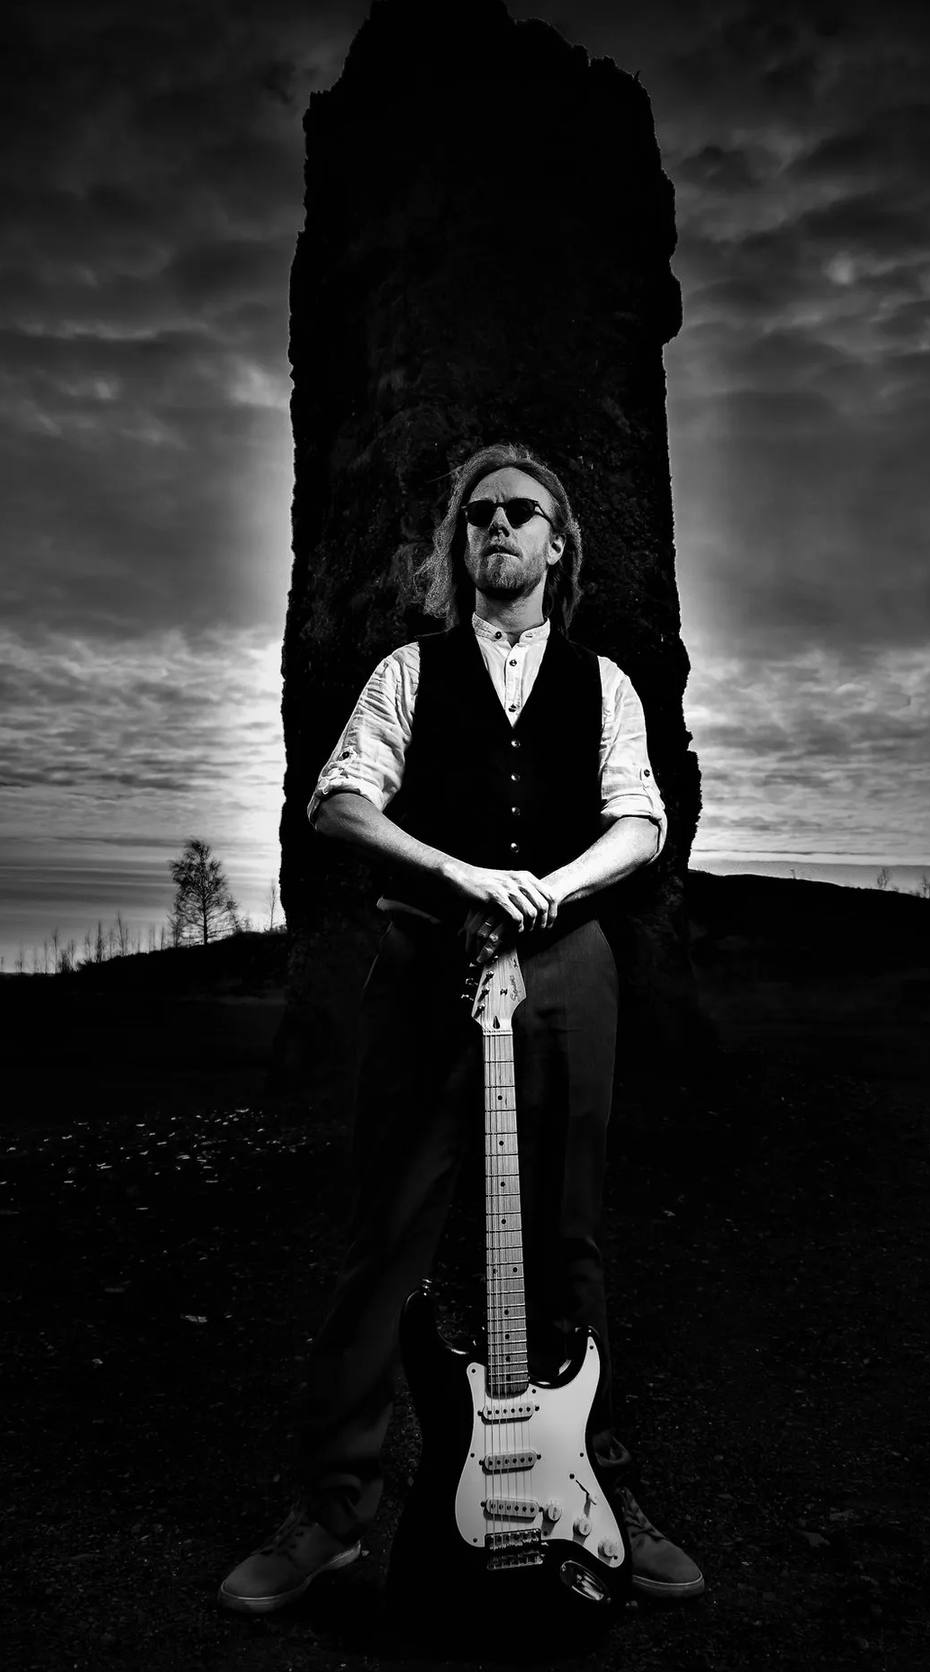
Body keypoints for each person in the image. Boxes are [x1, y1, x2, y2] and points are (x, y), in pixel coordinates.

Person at [219, 443, 705, 1613]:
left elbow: (640, 820)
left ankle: (595, 1488)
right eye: (478, 514)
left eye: (520, 512)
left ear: (556, 544)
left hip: (568, 963)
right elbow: (337, 803)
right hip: (427, 957)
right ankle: (334, 1511)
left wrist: (551, 887)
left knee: (566, 1233)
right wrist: (464, 875)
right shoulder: (407, 671)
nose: (497, 527)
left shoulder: (606, 682)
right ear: (462, 544)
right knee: (386, 1231)